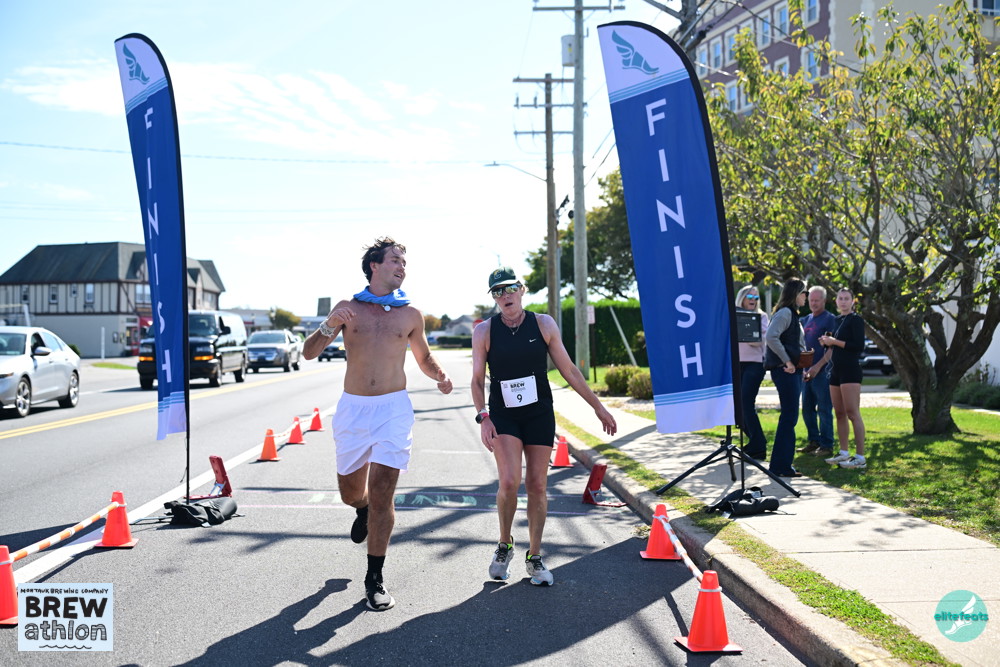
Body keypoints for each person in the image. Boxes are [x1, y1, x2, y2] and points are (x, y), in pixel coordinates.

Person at [302, 237, 453, 611]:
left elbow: (424, 358)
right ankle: (362, 509)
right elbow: (308, 352)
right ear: (375, 266)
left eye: (404, 262)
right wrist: (329, 323)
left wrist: (440, 375)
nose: (402, 267)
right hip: (354, 410)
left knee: (384, 489)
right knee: (352, 493)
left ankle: (374, 578)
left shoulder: (410, 314)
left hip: (393, 410)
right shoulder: (348, 309)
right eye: (395, 260)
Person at [471, 267, 617, 586]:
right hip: (504, 415)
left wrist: (598, 406)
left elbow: (569, 370)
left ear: (522, 290)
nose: (504, 296)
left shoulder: (544, 324)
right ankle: (504, 544)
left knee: (537, 485)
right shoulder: (484, 331)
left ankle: (534, 557)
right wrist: (484, 417)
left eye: (509, 288)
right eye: (497, 291)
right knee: (509, 481)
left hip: (538, 414)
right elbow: (477, 379)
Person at [818, 288, 867, 470]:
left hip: (850, 371)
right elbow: (835, 347)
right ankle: (843, 452)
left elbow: (858, 346)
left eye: (847, 298)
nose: (843, 301)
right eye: (841, 298)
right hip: (836, 371)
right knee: (839, 413)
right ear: (836, 301)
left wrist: (834, 342)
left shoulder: (856, 320)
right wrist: (826, 342)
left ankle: (860, 457)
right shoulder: (837, 320)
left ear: (853, 301)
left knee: (853, 413)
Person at [763, 278, 808, 478]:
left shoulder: (792, 314)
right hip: (785, 371)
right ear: (795, 293)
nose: (806, 296)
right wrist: (788, 361)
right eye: (804, 292)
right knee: (789, 417)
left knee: (789, 417)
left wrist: (800, 365)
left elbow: (795, 343)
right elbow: (771, 337)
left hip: (793, 370)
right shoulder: (785, 313)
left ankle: (781, 465)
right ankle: (780, 466)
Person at [798, 286, 837, 457]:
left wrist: (817, 367)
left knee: (824, 409)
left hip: (823, 372)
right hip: (806, 373)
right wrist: (803, 368)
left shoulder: (830, 320)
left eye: (817, 300)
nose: (813, 303)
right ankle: (813, 441)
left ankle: (827, 445)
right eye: (811, 300)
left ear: (824, 301)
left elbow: (832, 349)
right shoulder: (806, 319)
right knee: (807, 409)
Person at [735, 285, 769, 460]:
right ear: (742, 298)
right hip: (736, 365)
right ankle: (755, 441)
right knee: (737, 406)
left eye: (756, 298)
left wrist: (747, 334)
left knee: (746, 402)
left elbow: (760, 341)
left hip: (754, 365)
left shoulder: (761, 316)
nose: (753, 300)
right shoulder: (733, 315)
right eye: (750, 297)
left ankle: (758, 446)